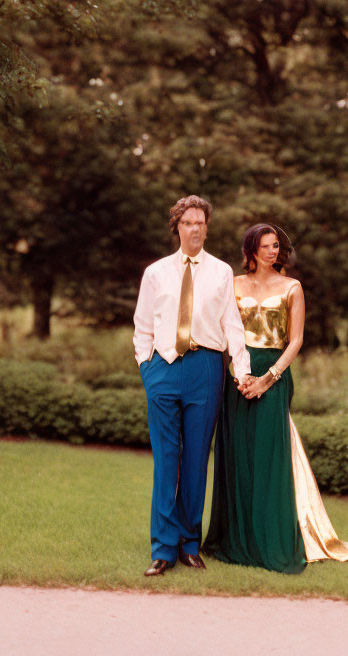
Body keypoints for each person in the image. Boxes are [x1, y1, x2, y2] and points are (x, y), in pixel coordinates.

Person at [203, 224, 348, 573]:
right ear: (251, 251)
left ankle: (271, 540)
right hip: (237, 373)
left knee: (268, 455)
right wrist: (238, 374)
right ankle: (235, 539)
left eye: (276, 245)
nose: (272, 251)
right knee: (236, 454)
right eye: (265, 246)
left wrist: (268, 379)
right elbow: (225, 331)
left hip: (274, 372)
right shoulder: (232, 285)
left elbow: (296, 341)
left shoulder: (292, 287)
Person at [133, 195, 254, 577]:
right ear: (177, 227)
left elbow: (231, 324)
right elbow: (142, 326)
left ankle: (189, 543)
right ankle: (163, 547)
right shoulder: (156, 273)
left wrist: (243, 369)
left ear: (207, 227)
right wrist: (146, 370)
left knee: (196, 459)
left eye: (201, 222)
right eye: (188, 222)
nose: (196, 228)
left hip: (205, 367)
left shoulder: (220, 272)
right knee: (167, 460)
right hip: (164, 369)